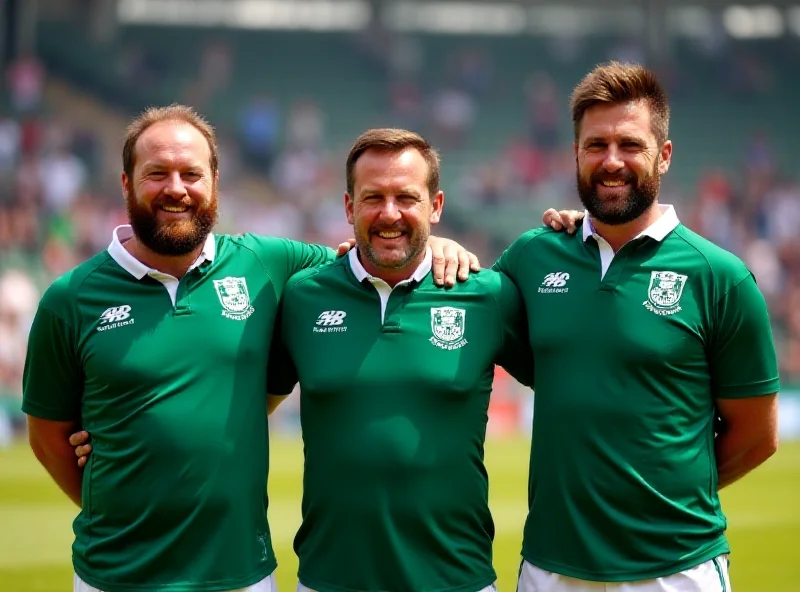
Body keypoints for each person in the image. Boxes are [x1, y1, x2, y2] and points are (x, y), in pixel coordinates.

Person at [22, 105, 477, 592]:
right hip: (113, 574)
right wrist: (109, 499)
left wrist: (437, 247)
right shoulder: (70, 298)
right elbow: (48, 437)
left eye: (191, 173)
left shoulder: (268, 264)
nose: (176, 188)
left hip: (242, 573)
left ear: (214, 181)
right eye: (157, 173)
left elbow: (376, 254)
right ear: (127, 183)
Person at [494, 62, 780, 591]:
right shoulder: (531, 258)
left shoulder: (720, 277)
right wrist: (435, 247)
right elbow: (454, 305)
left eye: (630, 144)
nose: (611, 161)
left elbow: (757, 436)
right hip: (551, 568)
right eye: (595, 144)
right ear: (575, 153)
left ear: (664, 155)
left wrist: (668, 495)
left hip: (676, 571)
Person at [265, 127, 534, 592]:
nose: (389, 213)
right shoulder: (302, 296)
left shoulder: (486, 295)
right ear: (349, 207)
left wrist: (580, 231)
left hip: (456, 581)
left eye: (406, 197)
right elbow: (247, 407)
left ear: (437, 206)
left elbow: (574, 373)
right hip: (330, 582)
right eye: (373, 198)